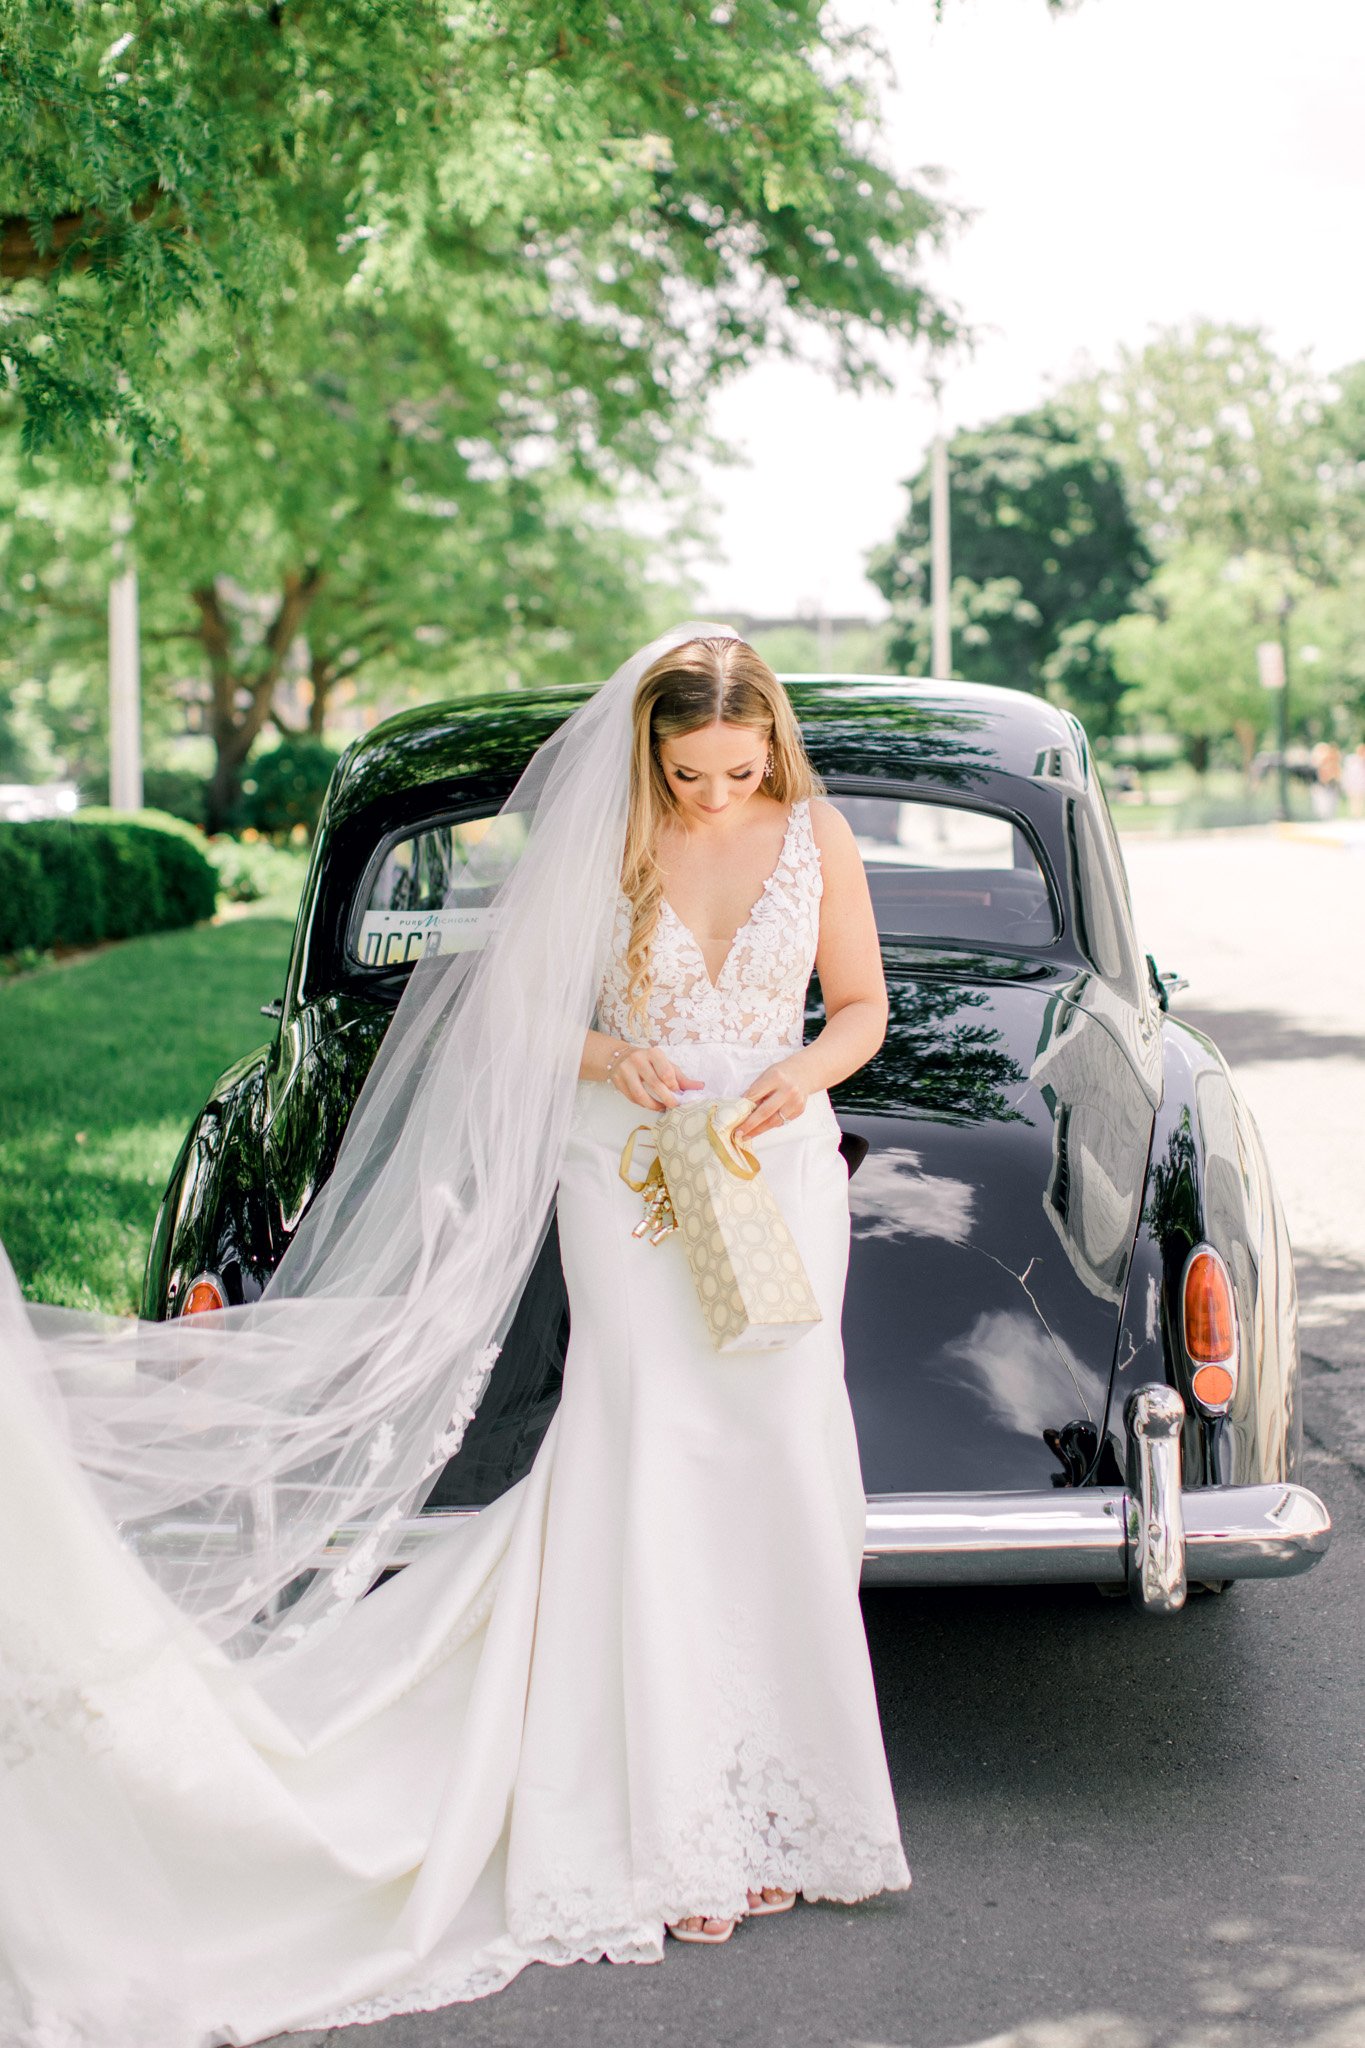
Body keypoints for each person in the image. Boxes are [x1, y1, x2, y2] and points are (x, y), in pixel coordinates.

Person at [0, 623, 910, 2046]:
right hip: (624, 1177)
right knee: (653, 1451)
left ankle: (790, 1797)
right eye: (689, 773)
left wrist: (799, 1072)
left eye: (740, 769)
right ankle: (671, 1828)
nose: (716, 797)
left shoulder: (817, 838)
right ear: (649, 753)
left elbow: (859, 1007)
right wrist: (616, 1057)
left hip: (774, 1173)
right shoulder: (602, 842)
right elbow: (517, 1015)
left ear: (771, 748)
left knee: (782, 1461)